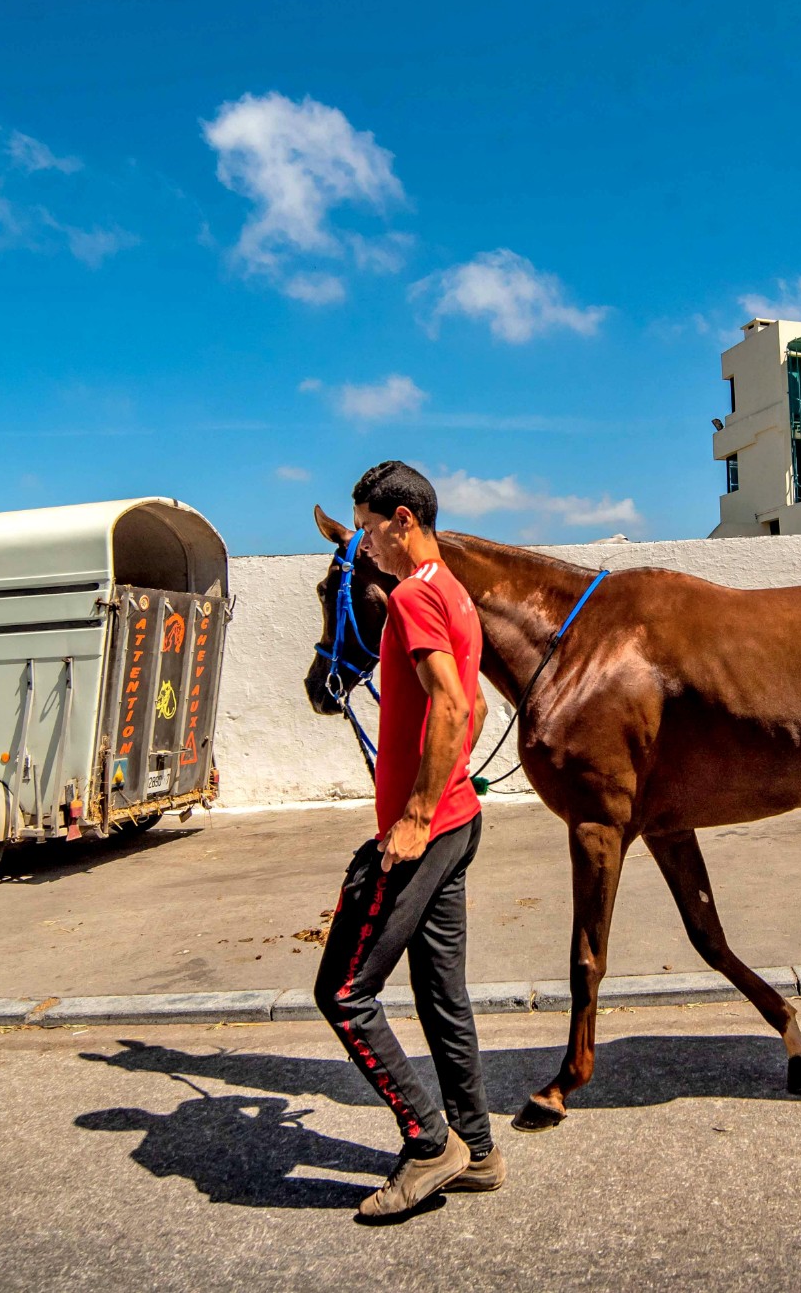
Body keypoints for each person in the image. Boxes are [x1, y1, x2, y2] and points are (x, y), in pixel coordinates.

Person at [314, 460, 503, 1221]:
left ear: (400, 519)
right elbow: (482, 707)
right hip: (462, 823)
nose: (363, 546)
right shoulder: (455, 592)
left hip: (427, 833)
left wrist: (417, 814)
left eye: (366, 529)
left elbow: (455, 705)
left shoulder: (415, 597)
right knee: (440, 993)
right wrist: (449, 792)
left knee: (345, 992)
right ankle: (479, 1149)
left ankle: (432, 1144)